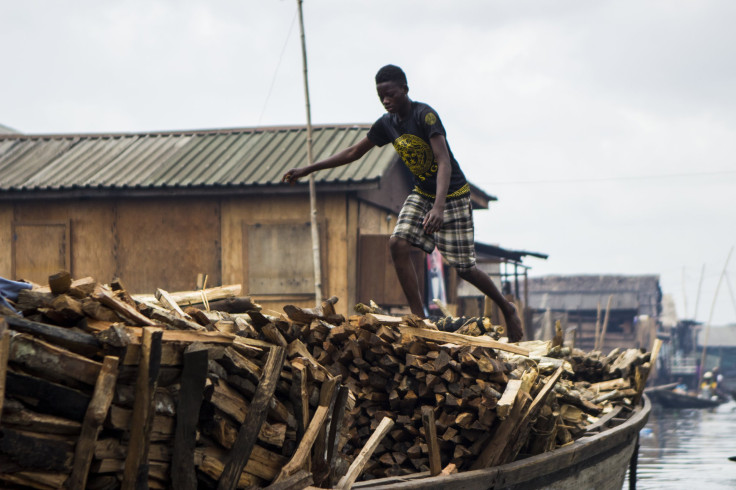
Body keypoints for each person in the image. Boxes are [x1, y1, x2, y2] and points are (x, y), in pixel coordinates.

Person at [282, 64, 523, 342]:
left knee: (465, 268)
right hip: (421, 194)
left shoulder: (425, 115)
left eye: (391, 95)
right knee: (397, 242)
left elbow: (443, 161)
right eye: (381, 96)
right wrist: (308, 169)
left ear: (405, 90)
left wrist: (439, 207)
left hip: (453, 195)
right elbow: (354, 151)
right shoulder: (387, 123)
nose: (386, 101)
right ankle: (418, 318)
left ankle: (507, 308)